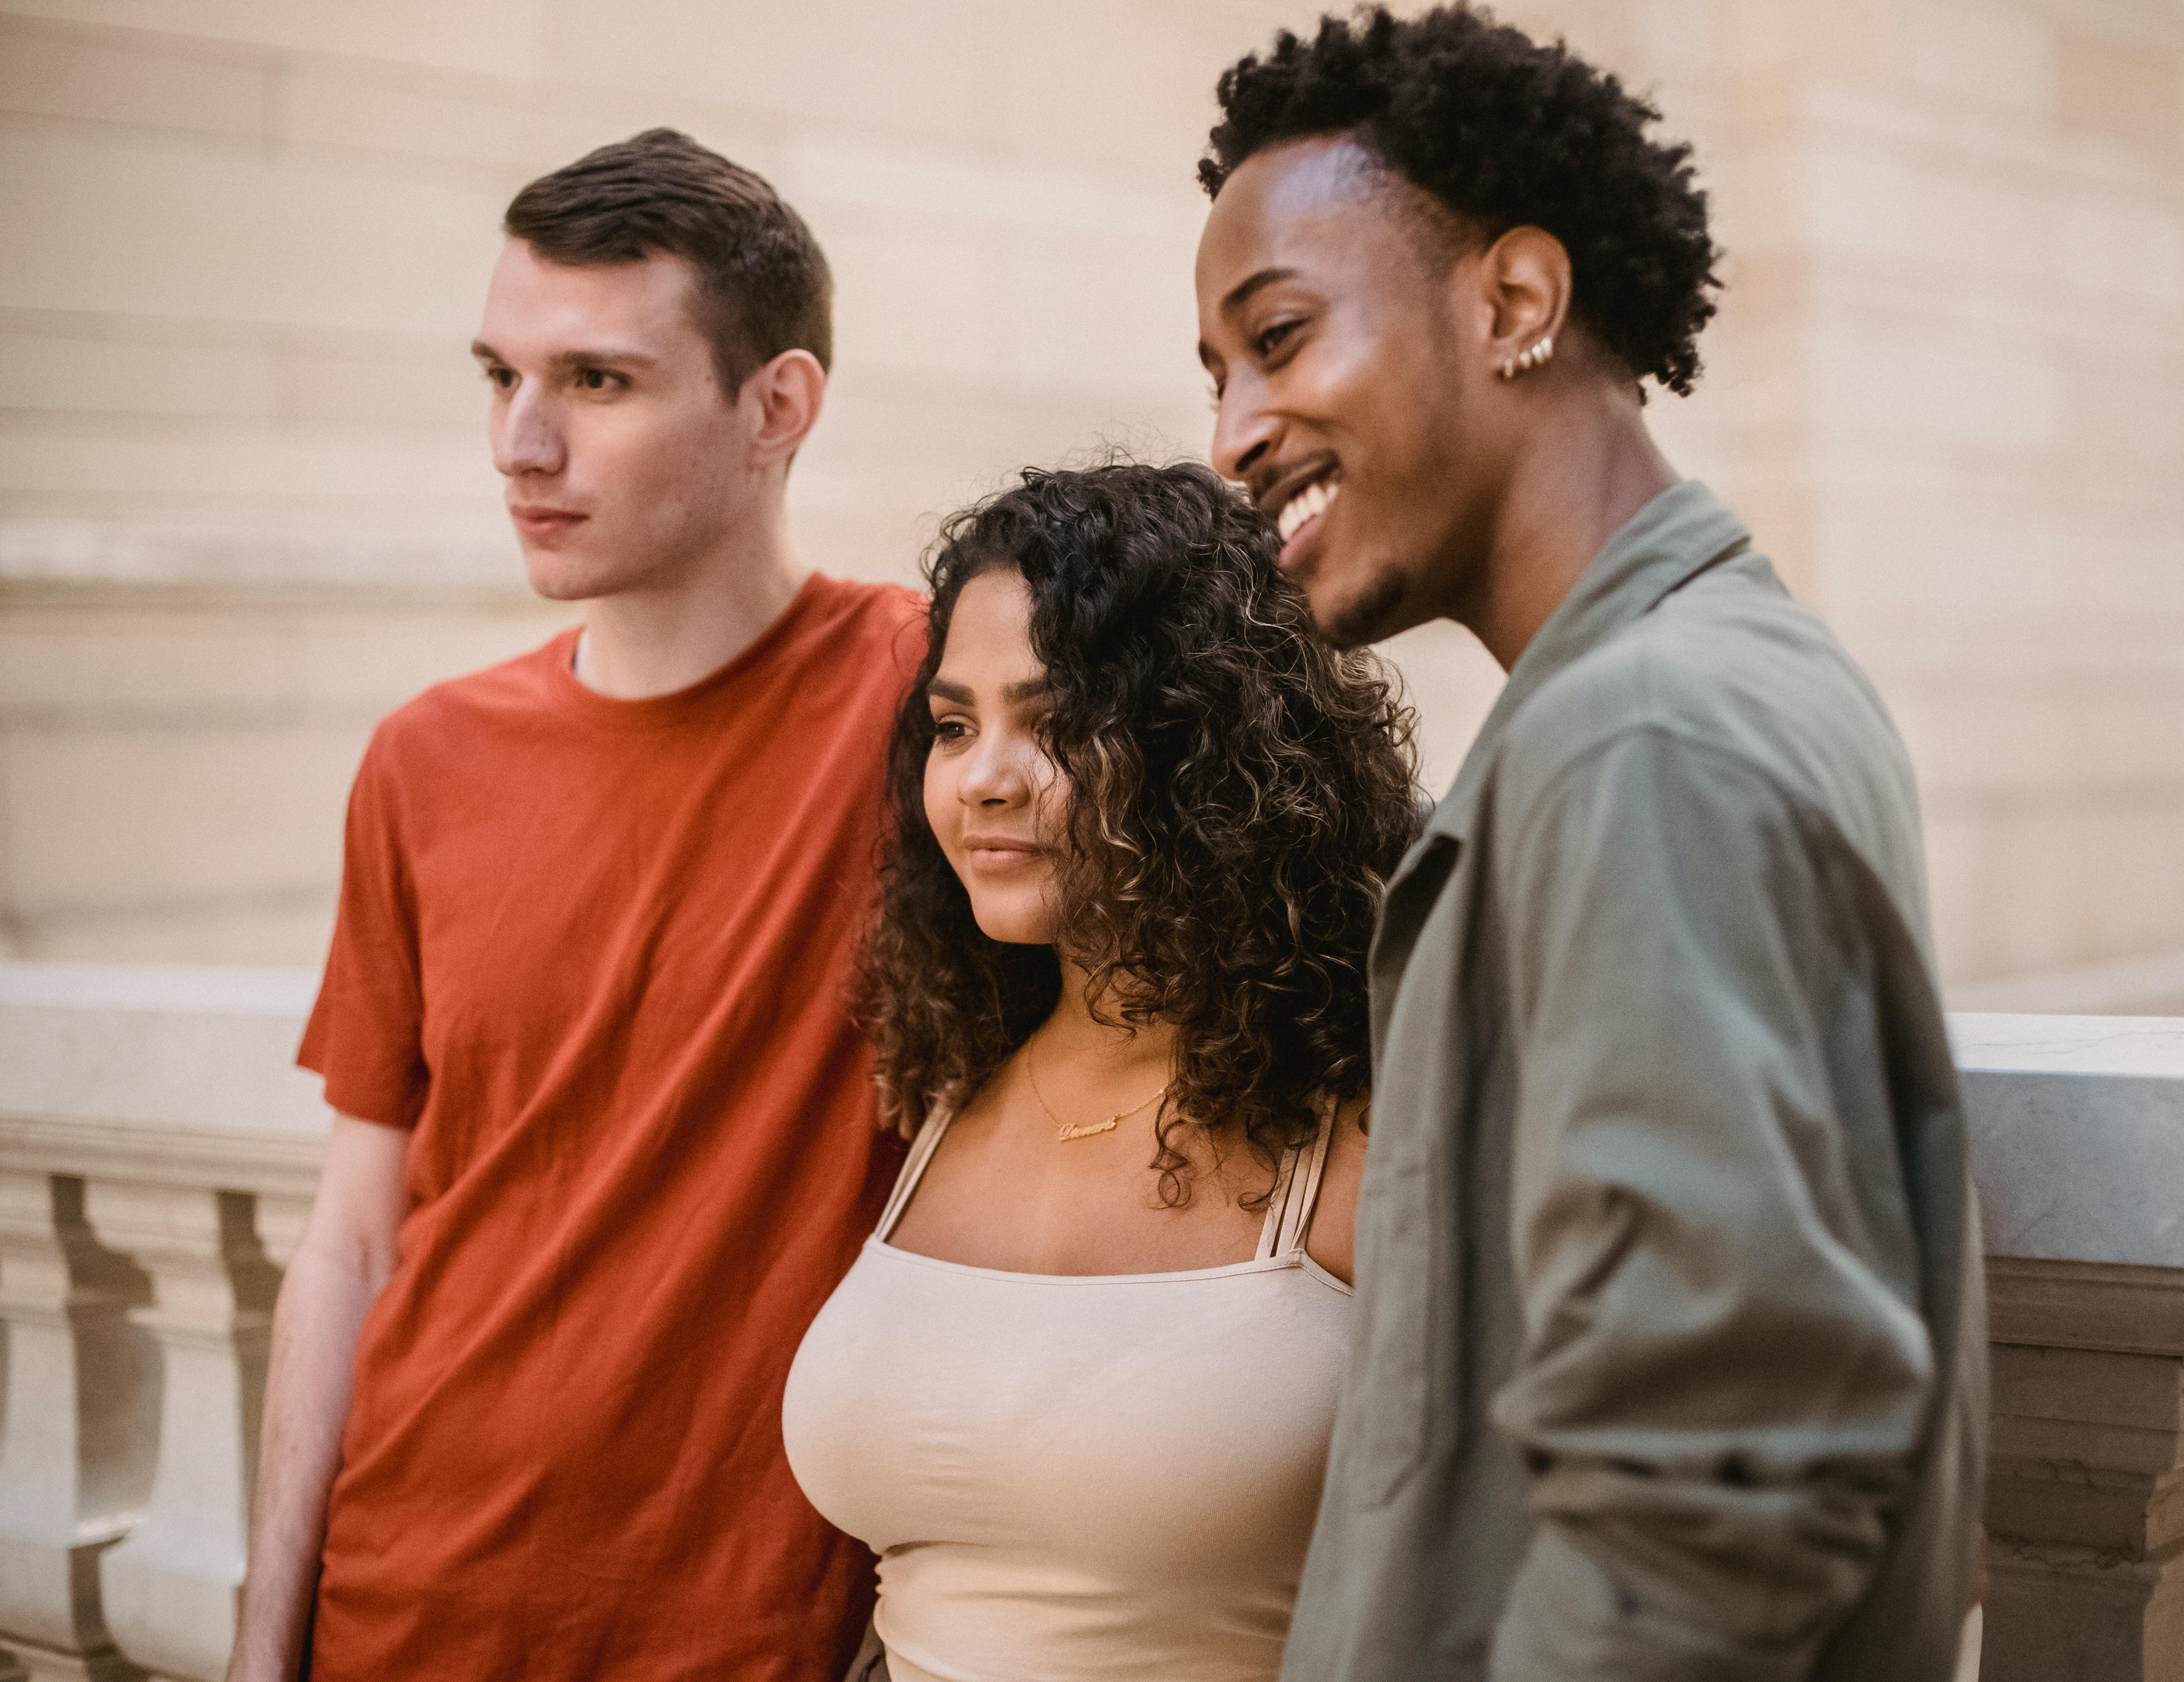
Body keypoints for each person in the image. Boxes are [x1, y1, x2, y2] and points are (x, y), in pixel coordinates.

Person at [1193, 9, 1986, 1679]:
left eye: (1276, 338)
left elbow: (1722, 1473)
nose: (1234, 435)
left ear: (1517, 303)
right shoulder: (1718, 664)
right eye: (1219, 374)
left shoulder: (1641, 740)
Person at [227, 130, 921, 1680]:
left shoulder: (926, 702)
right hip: (402, 1605)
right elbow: (353, 1237)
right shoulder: (426, 760)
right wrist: (265, 1640)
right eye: (499, 377)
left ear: (778, 406)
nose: (518, 447)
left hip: (737, 1634)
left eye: (596, 384)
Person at [781, 461, 1421, 1682]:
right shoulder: (946, 1088)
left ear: (1206, 748)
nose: (983, 778)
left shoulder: (1365, 1130)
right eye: (956, 725)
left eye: (1059, 721)